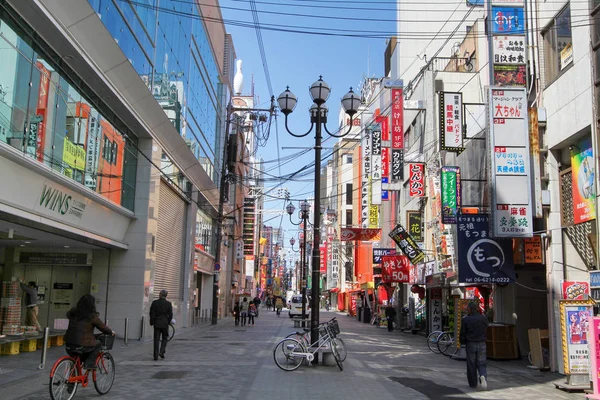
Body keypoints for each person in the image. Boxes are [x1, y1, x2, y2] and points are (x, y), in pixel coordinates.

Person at [64, 294, 115, 369]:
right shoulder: (92, 316)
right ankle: (90, 364)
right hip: (82, 345)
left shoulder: (73, 313)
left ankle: (73, 377)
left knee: (76, 361)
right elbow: (103, 327)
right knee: (98, 344)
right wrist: (111, 332)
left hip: (68, 344)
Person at [459, 302, 489, 390]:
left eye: (467, 308)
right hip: (482, 342)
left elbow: (463, 333)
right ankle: (483, 376)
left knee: (471, 364)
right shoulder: (483, 318)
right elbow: (486, 327)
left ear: (469, 309)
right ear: (476, 309)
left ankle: (473, 383)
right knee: (482, 362)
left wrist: (462, 342)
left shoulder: (465, 319)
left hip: (471, 343)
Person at [150, 289, 173, 361]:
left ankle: (155, 355)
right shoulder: (168, 304)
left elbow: (151, 313)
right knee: (165, 337)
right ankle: (162, 351)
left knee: (156, 339)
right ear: (166, 296)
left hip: (157, 322)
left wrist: (152, 322)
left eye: (159, 293)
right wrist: (168, 321)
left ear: (160, 295)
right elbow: (170, 314)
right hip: (165, 322)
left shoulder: (155, 303)